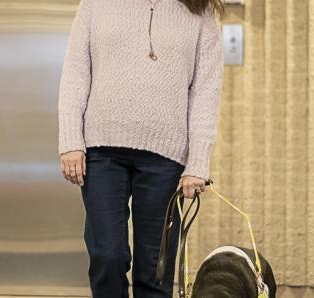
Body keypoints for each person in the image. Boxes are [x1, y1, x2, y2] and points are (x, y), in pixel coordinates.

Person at [57, 0, 224, 297]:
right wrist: (71, 140)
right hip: (101, 151)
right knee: (107, 256)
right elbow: (76, 70)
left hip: (166, 158)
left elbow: (205, 91)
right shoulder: (95, 4)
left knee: (155, 271)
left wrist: (198, 162)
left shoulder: (200, 10)